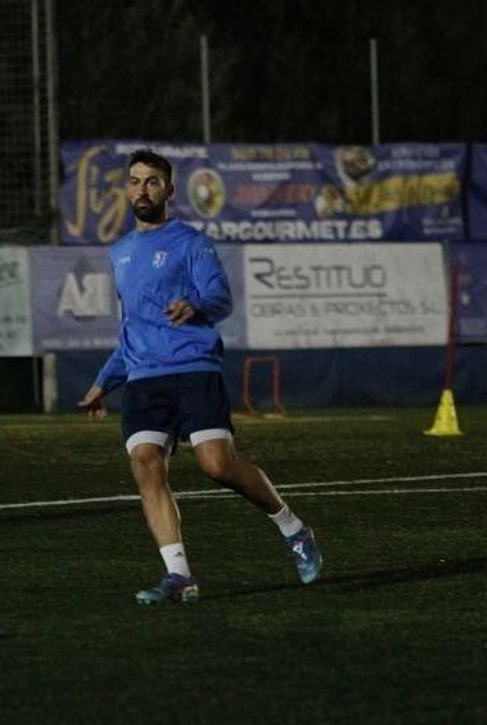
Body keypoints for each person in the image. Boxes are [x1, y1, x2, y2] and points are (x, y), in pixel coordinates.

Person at [78, 149, 321, 603]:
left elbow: (221, 299)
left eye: (152, 181)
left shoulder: (191, 243)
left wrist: (196, 308)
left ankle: (294, 528)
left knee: (217, 465)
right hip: (144, 377)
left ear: (169, 191)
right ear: (127, 189)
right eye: (135, 181)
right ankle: (178, 576)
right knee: (146, 463)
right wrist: (104, 380)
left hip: (193, 367)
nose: (142, 189)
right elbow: (132, 326)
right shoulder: (120, 253)